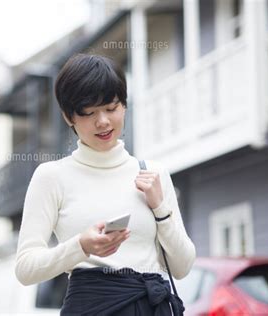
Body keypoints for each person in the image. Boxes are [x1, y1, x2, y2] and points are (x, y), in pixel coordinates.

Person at [14, 53, 196, 315]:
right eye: (89, 113)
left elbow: (182, 267)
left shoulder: (153, 174)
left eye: (111, 108)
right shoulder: (52, 176)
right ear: (69, 117)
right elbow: (25, 268)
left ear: (124, 105)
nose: (103, 122)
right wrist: (81, 246)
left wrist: (161, 210)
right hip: (90, 306)